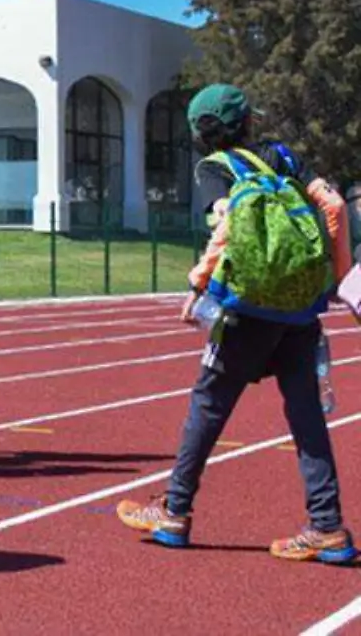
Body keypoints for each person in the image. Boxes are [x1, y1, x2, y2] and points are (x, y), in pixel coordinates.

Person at [119, 85, 357, 563]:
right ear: (247, 121)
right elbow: (332, 207)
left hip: (247, 310)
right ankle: (327, 525)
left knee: (208, 403)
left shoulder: (215, 169)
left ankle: (175, 509)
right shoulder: (282, 156)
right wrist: (334, 280)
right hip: (300, 309)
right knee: (306, 414)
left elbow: (226, 227)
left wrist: (198, 282)